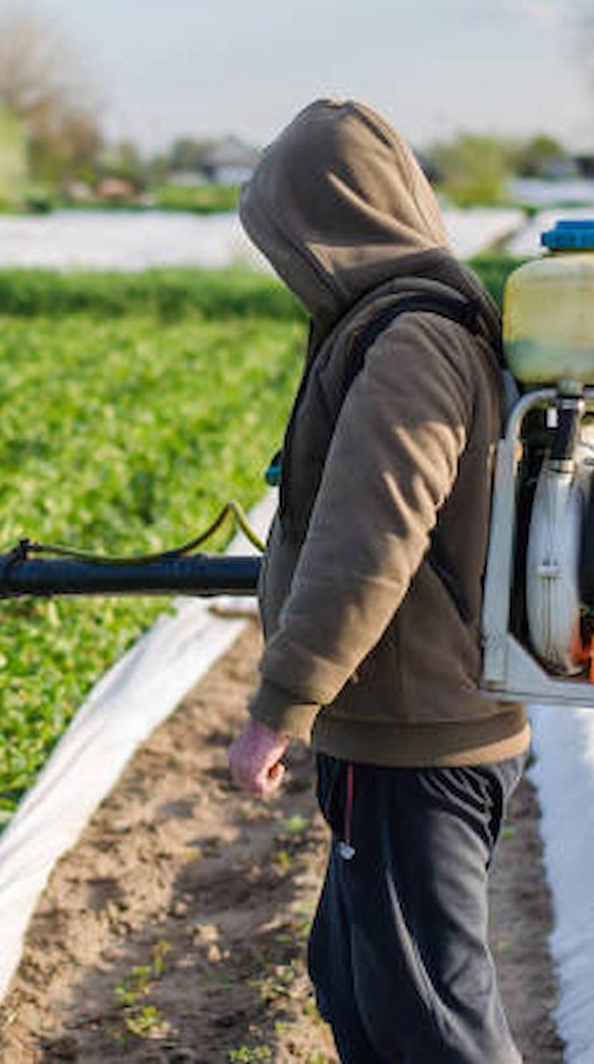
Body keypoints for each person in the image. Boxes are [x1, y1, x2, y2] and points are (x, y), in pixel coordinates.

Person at [226, 98, 527, 1063]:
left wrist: (282, 704)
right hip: (405, 733)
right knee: (355, 981)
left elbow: (372, 536)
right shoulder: (419, 322)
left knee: (428, 1020)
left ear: (330, 225)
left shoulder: (411, 343)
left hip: (416, 743)